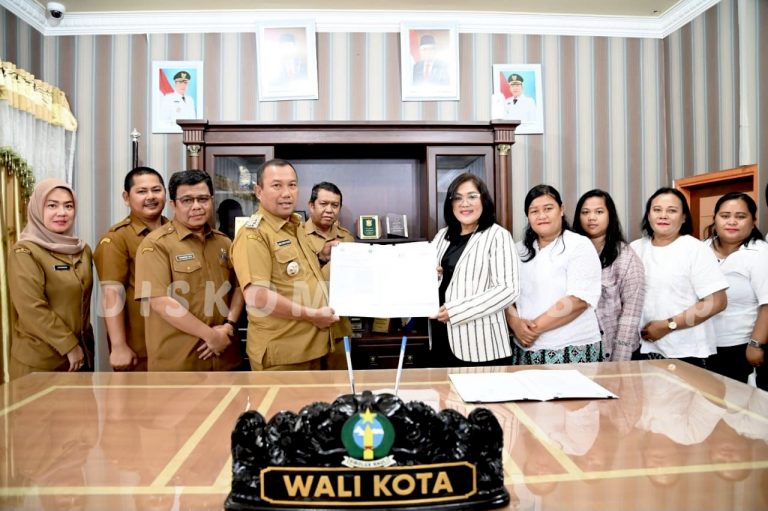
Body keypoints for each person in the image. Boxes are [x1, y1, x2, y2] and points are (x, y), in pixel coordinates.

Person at [230, 158, 339, 371]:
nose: (287, 193)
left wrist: (322, 257)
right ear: (258, 191)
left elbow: (293, 273)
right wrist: (313, 316)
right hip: (283, 355)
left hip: (313, 347)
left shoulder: (295, 225)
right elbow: (257, 296)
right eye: (277, 186)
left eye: (292, 185)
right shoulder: (254, 234)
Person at [134, 169, 243, 371]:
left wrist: (228, 326)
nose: (196, 207)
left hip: (226, 359)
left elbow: (239, 287)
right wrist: (211, 336)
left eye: (203, 199)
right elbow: (159, 301)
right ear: (173, 204)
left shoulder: (224, 242)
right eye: (187, 200)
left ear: (212, 200)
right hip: (180, 363)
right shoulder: (156, 244)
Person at [629, 187, 728, 367]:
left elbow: (716, 302)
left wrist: (668, 326)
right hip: (642, 348)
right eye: (657, 210)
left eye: (672, 211)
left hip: (687, 350)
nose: (663, 215)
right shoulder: (635, 248)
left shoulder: (695, 249)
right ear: (649, 215)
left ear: (683, 217)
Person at [505, 185, 603, 364]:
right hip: (525, 347)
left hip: (571, 347)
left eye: (548, 209)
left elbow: (578, 300)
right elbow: (504, 296)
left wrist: (533, 329)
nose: (541, 216)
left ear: (562, 210)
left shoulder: (579, 245)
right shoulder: (518, 250)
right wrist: (516, 325)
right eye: (534, 211)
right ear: (528, 216)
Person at [430, 173, 520, 366]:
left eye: (472, 196)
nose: (465, 203)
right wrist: (431, 275)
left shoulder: (498, 235)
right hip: (440, 336)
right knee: (445, 395)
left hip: (480, 344)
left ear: (484, 200)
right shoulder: (442, 236)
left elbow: (507, 290)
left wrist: (456, 311)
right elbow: (433, 277)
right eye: (458, 197)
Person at [8, 178, 93, 379]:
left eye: (68, 206)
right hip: (40, 362)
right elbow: (31, 307)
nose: (62, 213)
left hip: (82, 357)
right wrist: (69, 345)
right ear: (37, 209)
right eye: (52, 205)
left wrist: (81, 348)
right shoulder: (25, 251)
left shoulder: (83, 250)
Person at [94, 166, 168, 371]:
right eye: (142, 191)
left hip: (178, 345)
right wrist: (118, 346)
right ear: (126, 197)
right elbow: (111, 294)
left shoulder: (176, 232)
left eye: (156, 190)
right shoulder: (116, 239)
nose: (151, 197)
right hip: (140, 348)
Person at [573, 189, 645, 361]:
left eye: (599, 212)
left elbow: (631, 314)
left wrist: (619, 362)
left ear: (610, 215)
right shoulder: (570, 252)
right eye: (585, 212)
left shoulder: (626, 256)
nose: (591, 217)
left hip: (613, 350)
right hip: (579, 348)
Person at [704, 192, 767, 386]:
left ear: (753, 220)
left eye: (740, 217)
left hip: (740, 347)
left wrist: (755, 345)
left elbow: (767, 303)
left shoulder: (760, 253)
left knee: (739, 410)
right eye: (724, 216)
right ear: (714, 219)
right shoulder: (700, 250)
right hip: (703, 345)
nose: (732, 222)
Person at [304, 181, 355, 369]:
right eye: (323, 204)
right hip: (308, 327)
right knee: (309, 388)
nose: (329, 210)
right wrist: (322, 257)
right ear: (311, 205)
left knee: (341, 385)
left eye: (335, 205)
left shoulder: (347, 238)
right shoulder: (297, 236)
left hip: (340, 326)